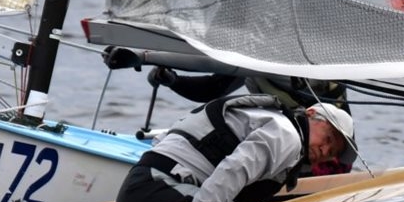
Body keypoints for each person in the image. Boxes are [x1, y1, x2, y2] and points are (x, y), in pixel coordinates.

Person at [115, 95, 355, 202]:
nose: (325, 150)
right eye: (328, 138)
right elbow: (236, 167)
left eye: (332, 152)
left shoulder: (265, 120)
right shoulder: (286, 135)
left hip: (141, 193)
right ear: (311, 114)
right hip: (157, 191)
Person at [146, 66, 354, 175]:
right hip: (286, 157)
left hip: (326, 164)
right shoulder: (252, 58)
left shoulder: (306, 59)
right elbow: (213, 88)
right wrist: (172, 80)